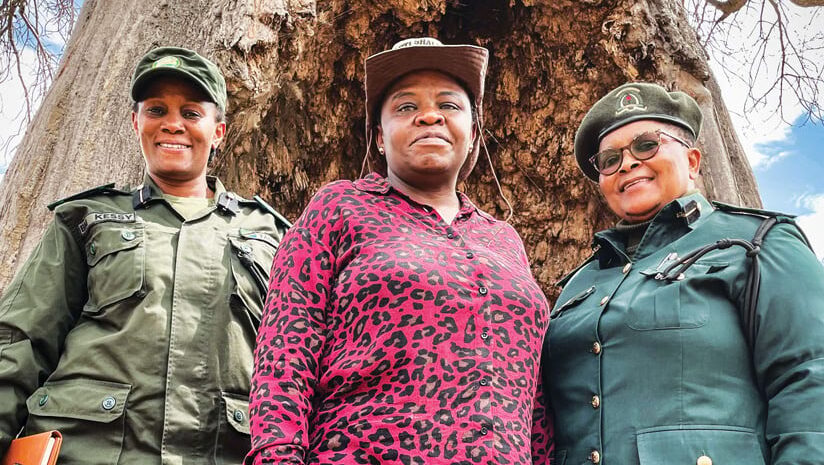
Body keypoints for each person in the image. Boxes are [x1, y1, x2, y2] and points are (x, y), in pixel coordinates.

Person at [247, 38, 552, 464]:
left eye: (449, 105)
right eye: (406, 107)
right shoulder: (340, 207)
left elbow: (534, 396)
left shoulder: (503, 239)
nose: (430, 115)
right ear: (378, 136)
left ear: (474, 133)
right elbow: (286, 347)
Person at [0, 46, 290, 462]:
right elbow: (18, 342)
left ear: (219, 130)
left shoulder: (272, 234)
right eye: (157, 110)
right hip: (84, 453)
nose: (173, 124)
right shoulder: (85, 218)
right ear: (137, 122)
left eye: (191, 113)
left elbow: (298, 365)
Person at [543, 82, 824, 465]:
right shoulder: (579, 283)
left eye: (646, 145)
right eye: (609, 160)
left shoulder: (757, 242)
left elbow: (810, 374)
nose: (626, 163)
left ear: (692, 160)